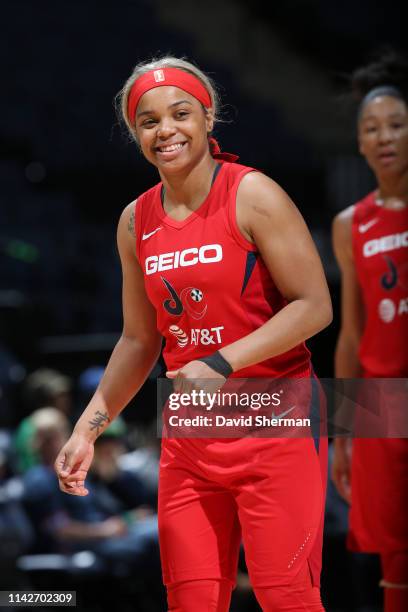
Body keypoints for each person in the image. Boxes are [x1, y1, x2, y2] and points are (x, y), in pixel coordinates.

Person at [54, 55, 332, 611]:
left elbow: (314, 306)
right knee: (191, 600)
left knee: (287, 599)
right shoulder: (135, 220)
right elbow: (139, 340)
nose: (166, 131)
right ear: (135, 135)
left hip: (277, 422)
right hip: (191, 433)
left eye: (180, 113)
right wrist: (87, 430)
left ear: (208, 117)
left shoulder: (254, 194)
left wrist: (221, 363)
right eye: (148, 121)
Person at [331, 51, 408, 612]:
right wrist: (342, 431)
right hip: (383, 403)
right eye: (371, 129)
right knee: (394, 562)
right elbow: (351, 333)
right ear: (359, 143)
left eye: (397, 126)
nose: (384, 138)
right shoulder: (349, 225)